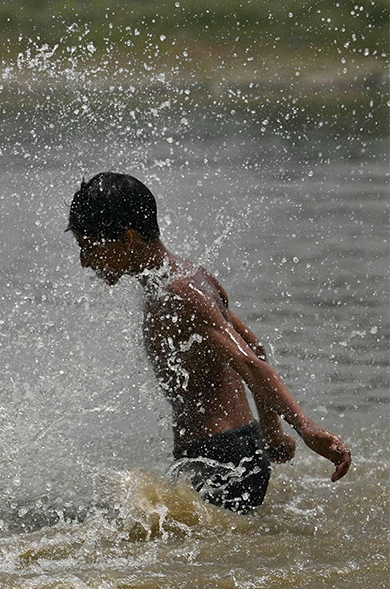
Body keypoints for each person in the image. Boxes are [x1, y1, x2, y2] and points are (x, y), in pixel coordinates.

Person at [67, 172, 351, 513]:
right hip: (226, 453)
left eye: (89, 246)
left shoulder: (181, 294)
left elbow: (248, 363)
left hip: (224, 460)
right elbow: (254, 346)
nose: (84, 260)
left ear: (127, 239)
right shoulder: (184, 278)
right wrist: (272, 434)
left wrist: (305, 428)